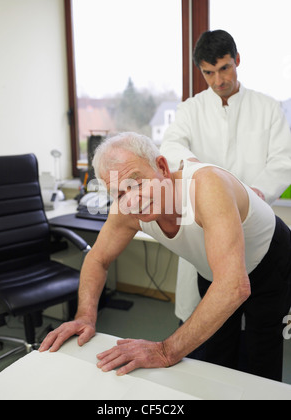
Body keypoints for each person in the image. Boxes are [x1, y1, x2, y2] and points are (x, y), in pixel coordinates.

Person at [40, 132, 291, 382]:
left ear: (161, 167)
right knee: (217, 350)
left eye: (138, 183)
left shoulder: (207, 186)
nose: (133, 200)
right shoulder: (126, 208)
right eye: (119, 193)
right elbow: (97, 259)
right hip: (214, 269)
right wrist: (84, 316)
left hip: (269, 258)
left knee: (262, 352)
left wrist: (165, 351)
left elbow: (234, 287)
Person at [159, 29, 291, 328]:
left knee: (257, 323)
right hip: (203, 225)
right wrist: (198, 171)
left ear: (237, 61)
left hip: (253, 221)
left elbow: (284, 159)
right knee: (208, 326)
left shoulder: (267, 108)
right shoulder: (191, 109)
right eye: (208, 73)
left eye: (224, 68)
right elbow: (170, 147)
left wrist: (256, 192)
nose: (218, 81)